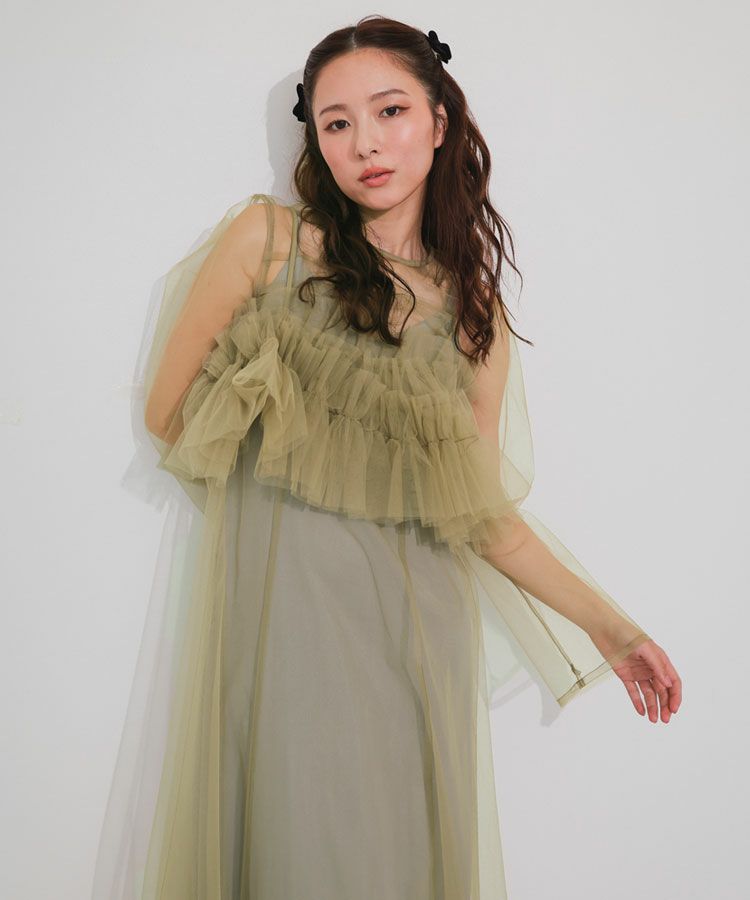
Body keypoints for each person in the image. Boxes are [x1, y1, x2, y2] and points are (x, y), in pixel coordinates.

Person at [91, 15, 682, 900]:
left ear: (440, 122)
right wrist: (291, 472)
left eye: (390, 110)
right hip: (287, 622)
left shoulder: (474, 321)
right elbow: (170, 416)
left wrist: (613, 628)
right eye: (336, 123)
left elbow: (483, 516)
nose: (365, 143)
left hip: (415, 634)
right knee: (296, 849)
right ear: (316, 143)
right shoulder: (267, 244)